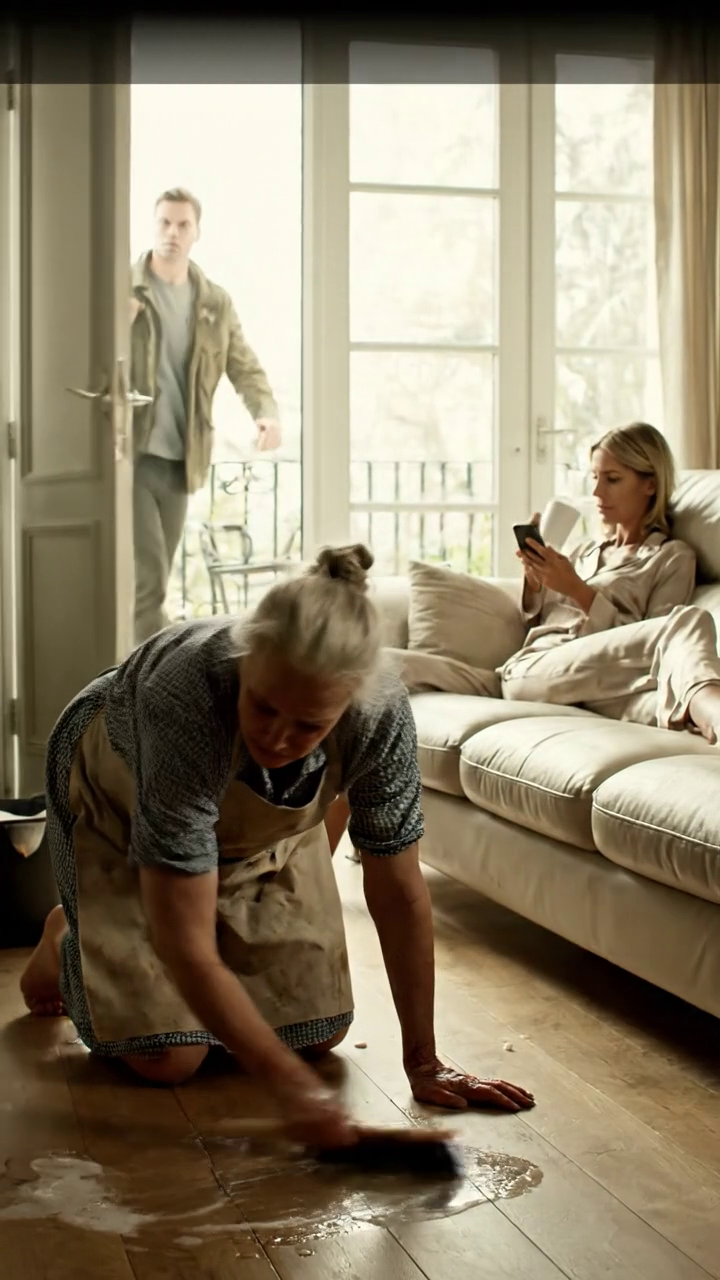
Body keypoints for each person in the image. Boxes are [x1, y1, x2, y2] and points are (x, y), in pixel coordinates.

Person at [20, 544, 534, 1150]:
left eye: (310, 725)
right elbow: (185, 942)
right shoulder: (186, 697)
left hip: (249, 826)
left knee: (317, 1034)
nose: (279, 738)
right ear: (245, 660)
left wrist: (424, 1062)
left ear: (351, 702)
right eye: (263, 707)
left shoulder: (382, 713)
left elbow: (397, 888)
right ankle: (67, 934)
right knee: (170, 1059)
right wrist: (293, 1092)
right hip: (121, 784)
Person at [399, 422, 720, 740]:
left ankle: (704, 713)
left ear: (650, 484)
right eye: (595, 477)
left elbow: (655, 650)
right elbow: (537, 622)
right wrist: (536, 580)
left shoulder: (672, 557)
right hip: (532, 668)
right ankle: (712, 705)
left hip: (592, 682)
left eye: (612, 479)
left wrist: (577, 589)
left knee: (663, 687)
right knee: (689, 622)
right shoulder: (584, 552)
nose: (597, 492)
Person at [131, 187, 282, 646]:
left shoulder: (213, 303)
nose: (172, 233)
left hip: (182, 459)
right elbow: (89, 360)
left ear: (196, 232)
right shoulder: (124, 291)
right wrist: (118, 322)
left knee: (156, 578)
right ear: (153, 225)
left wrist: (265, 413)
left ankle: (136, 667)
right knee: (149, 580)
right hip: (132, 456)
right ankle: (144, 678)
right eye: (164, 222)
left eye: (183, 225)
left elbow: (243, 364)